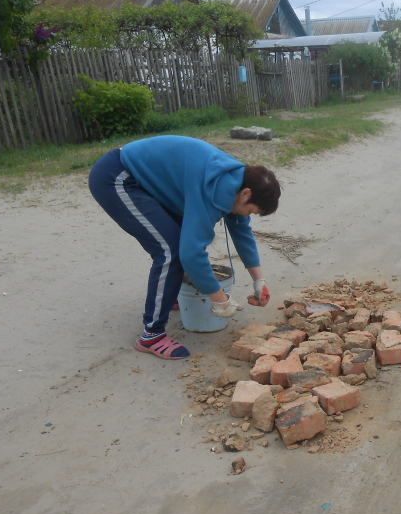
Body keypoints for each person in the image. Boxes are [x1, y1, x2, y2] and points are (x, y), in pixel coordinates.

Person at [88, 135, 280, 360]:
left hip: (148, 180)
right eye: (252, 211)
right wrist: (220, 300)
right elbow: (192, 254)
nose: (249, 216)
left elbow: (241, 230)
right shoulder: (213, 190)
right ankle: (152, 335)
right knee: (171, 250)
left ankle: (169, 294)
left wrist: (259, 280)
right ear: (246, 194)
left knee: (179, 241)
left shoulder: (236, 183)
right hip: (118, 176)